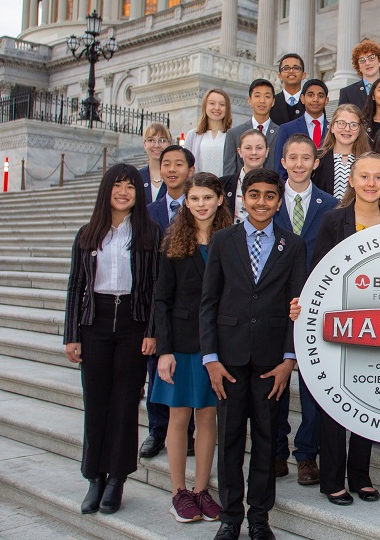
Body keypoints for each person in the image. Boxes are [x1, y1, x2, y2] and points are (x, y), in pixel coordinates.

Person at [199, 168, 306, 540]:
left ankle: (259, 517)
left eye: (270, 196)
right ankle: (231, 517)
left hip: (270, 361)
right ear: (242, 198)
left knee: (265, 440)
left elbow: (298, 305)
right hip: (228, 360)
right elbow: (208, 302)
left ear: (279, 202)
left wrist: (289, 359)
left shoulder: (292, 245)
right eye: (255, 194)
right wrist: (210, 358)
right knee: (228, 440)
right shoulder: (223, 241)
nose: (262, 202)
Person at [64, 164, 161, 515]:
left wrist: (151, 331)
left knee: (124, 403)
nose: (123, 192)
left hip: (133, 324)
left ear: (139, 194)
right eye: (117, 185)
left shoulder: (149, 235)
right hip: (96, 323)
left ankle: (118, 478)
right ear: (107, 190)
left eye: (130, 187)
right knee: (97, 402)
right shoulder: (88, 234)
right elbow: (76, 285)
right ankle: (95, 476)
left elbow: (154, 289)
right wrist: (72, 335)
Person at [312, 153, 380, 506]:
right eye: (363, 176)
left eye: (377, 177)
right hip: (341, 324)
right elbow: (319, 272)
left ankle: (361, 476)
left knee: (371, 399)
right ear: (351, 180)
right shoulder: (333, 220)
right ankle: (332, 479)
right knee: (336, 403)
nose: (370, 183)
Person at [152, 172, 231, 523]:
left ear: (220, 199)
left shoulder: (231, 239)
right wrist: (164, 350)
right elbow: (161, 299)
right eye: (194, 198)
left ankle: (201, 489)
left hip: (216, 343)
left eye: (207, 198)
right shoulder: (173, 241)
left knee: (209, 416)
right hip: (181, 344)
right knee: (179, 416)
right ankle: (178, 492)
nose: (201, 205)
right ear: (186, 201)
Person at [274, 134, 338, 486]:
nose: (299, 164)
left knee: (314, 384)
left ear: (316, 163)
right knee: (277, 380)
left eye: (306, 158)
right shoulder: (268, 200)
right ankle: (276, 451)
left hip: (316, 306)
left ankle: (306, 454)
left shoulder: (330, 205)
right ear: (283, 162)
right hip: (275, 304)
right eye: (292, 158)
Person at [142, 145, 196, 460]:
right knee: (157, 368)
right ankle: (156, 430)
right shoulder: (149, 212)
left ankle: (185, 433)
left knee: (185, 370)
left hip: (187, 304)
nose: (172, 169)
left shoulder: (197, 208)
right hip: (158, 301)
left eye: (179, 164)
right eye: (166, 164)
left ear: (190, 170)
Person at [312, 104, 372, 199]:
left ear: (360, 130)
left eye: (353, 125)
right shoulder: (318, 158)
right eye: (341, 123)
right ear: (332, 127)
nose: (347, 129)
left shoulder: (369, 160)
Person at [273, 78, 331, 177]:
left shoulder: (333, 130)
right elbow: (280, 168)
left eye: (320, 96)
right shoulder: (287, 129)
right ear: (302, 99)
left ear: (326, 100)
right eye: (310, 95)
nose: (315, 99)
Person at [223, 79, 280, 177]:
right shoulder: (234, 134)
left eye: (267, 96)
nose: (262, 101)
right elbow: (229, 173)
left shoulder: (281, 132)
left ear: (273, 101)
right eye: (257, 96)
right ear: (249, 100)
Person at [337, 40, 380, 114]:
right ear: (358, 67)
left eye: (371, 58)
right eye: (362, 60)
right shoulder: (348, 93)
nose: (367, 63)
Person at [221, 129, 270, 222]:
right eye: (248, 148)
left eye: (259, 148)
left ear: (267, 151)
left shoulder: (277, 184)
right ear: (239, 152)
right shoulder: (223, 184)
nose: (254, 152)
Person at [185, 89, 232, 177]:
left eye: (222, 104)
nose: (217, 108)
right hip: (199, 187)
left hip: (224, 187)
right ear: (205, 106)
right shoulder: (193, 135)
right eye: (212, 103)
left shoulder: (233, 135)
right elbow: (186, 165)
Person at [269, 52, 307, 125]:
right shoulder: (272, 102)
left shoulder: (311, 102)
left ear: (303, 75)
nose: (291, 71)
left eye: (296, 68)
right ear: (280, 76)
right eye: (286, 68)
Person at [139, 122, 172, 203]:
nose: (156, 145)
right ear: (144, 144)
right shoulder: (137, 176)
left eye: (162, 140)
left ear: (170, 144)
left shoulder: (176, 176)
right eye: (151, 140)